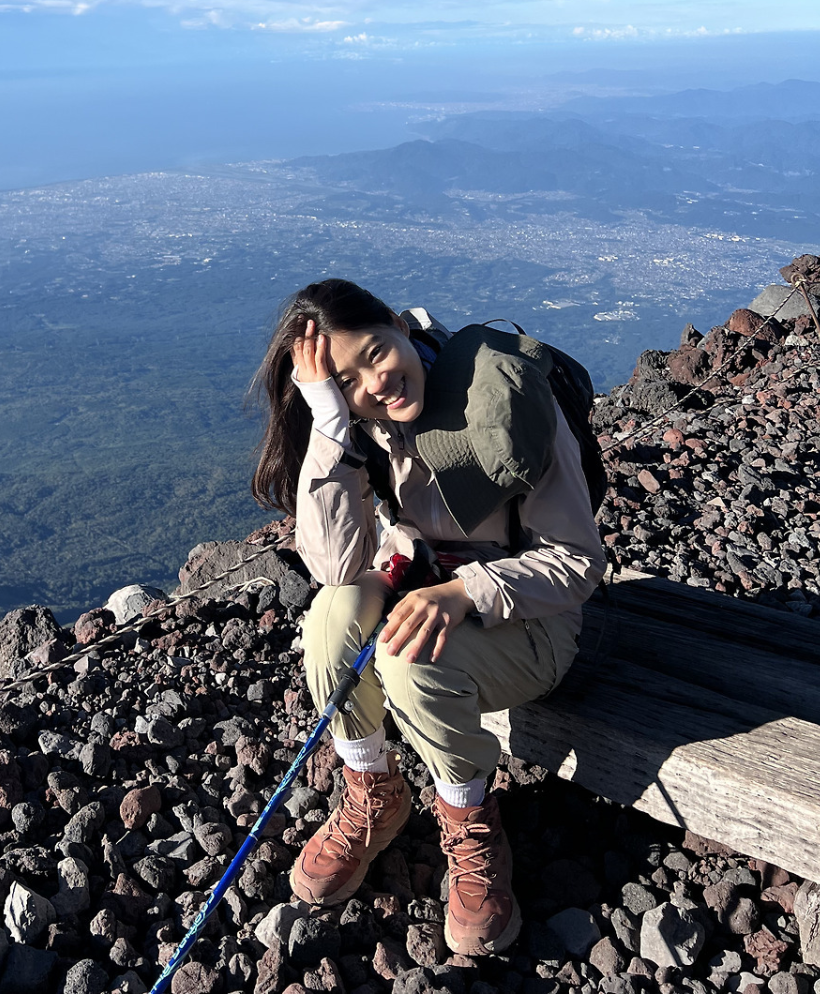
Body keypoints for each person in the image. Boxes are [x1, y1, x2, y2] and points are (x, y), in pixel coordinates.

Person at [250, 279, 606, 956]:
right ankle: (374, 792)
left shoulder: (501, 401)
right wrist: (330, 424)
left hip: (535, 618)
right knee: (329, 619)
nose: (375, 383)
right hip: (424, 584)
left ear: (397, 322)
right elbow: (335, 565)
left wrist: (465, 590)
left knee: (405, 658)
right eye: (346, 380)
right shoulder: (358, 423)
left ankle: (471, 822)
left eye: (375, 353)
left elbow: (577, 563)